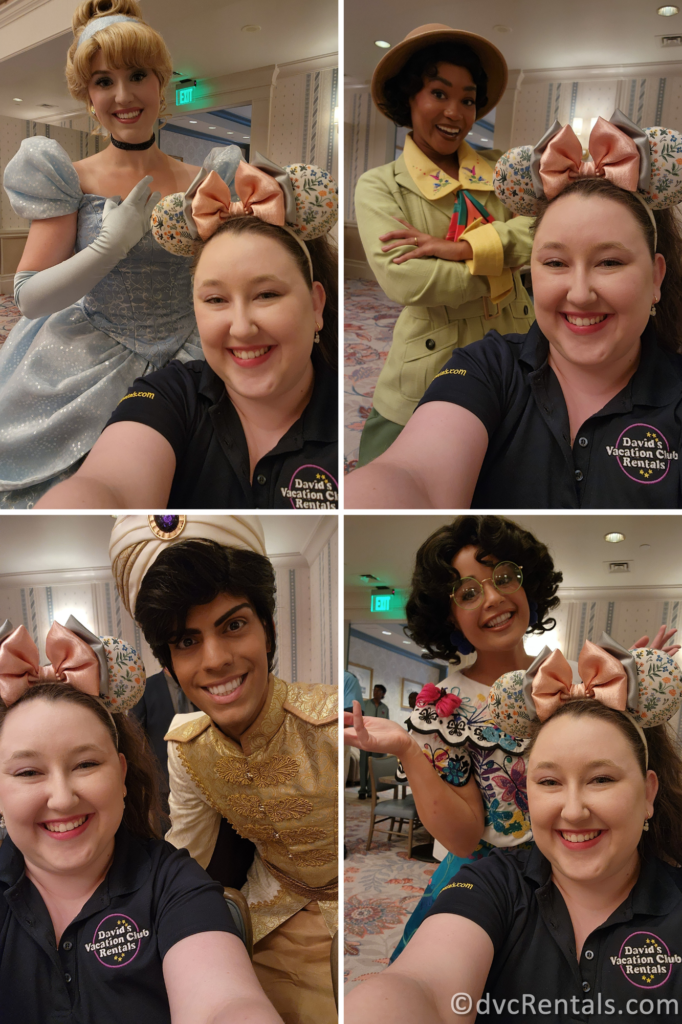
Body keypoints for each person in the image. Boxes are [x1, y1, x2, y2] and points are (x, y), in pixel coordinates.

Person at [344, 515, 680, 958]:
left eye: (504, 577)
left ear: (528, 585)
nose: (493, 598)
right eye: (468, 592)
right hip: (496, 879)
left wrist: (638, 689)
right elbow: (464, 838)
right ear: (449, 614)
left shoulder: (581, 679)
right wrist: (408, 750)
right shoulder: (444, 707)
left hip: (590, 859)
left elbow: (633, 773)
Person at [347, 111, 682, 508]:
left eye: (610, 262)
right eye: (555, 263)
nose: (579, 294)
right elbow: (413, 477)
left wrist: (460, 250)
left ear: (656, 277)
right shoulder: (485, 366)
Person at [345, 640, 682, 1024]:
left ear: (648, 792)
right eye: (550, 782)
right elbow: (421, 989)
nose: (573, 811)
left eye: (601, 779)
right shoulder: (494, 887)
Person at [0, 0, 247, 508]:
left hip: (193, 352)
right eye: (103, 82)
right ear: (87, 97)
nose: (123, 95)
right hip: (87, 360)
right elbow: (28, 297)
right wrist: (108, 246)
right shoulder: (67, 175)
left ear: (162, 83)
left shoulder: (204, 179)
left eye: (137, 75)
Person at [109, 514, 338, 1024]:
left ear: (268, 630)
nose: (214, 660)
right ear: (168, 665)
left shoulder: (330, 721)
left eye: (233, 625)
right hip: (259, 920)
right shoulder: (187, 747)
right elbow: (183, 854)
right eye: (187, 642)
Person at [0, 618, 282, 1024]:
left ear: (121, 773)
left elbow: (224, 1003)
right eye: (28, 772)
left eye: (86, 764)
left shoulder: (175, 885)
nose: (62, 798)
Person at [38, 159, 339, 510]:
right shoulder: (168, 395)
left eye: (267, 294)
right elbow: (106, 487)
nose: (241, 327)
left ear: (316, 305)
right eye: (215, 299)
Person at [353, 23, 535, 466]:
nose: (455, 112)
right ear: (410, 97)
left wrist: (463, 249)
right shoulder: (380, 185)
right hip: (429, 361)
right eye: (439, 93)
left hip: (518, 346)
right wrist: (505, 266)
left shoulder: (505, 168)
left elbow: (545, 230)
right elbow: (407, 281)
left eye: (468, 99)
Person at [130, 666, 197, 816]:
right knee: (169, 831)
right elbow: (134, 733)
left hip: (204, 774)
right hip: (165, 779)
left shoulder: (198, 683)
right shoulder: (145, 688)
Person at [358, 684, 390, 800]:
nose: (375, 693)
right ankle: (362, 790)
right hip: (364, 739)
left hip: (376, 741)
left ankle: (371, 791)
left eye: (378, 691)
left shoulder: (385, 708)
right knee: (363, 765)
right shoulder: (365, 705)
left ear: (383, 694)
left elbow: (386, 725)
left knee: (373, 766)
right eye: (374, 690)